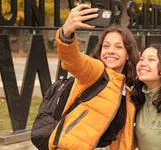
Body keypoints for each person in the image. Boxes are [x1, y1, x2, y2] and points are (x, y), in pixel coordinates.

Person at [48, 4, 140, 150]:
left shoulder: (128, 91)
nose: (111, 51)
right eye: (106, 46)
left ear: (128, 54)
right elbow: (74, 60)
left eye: (118, 47)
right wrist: (66, 35)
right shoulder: (95, 72)